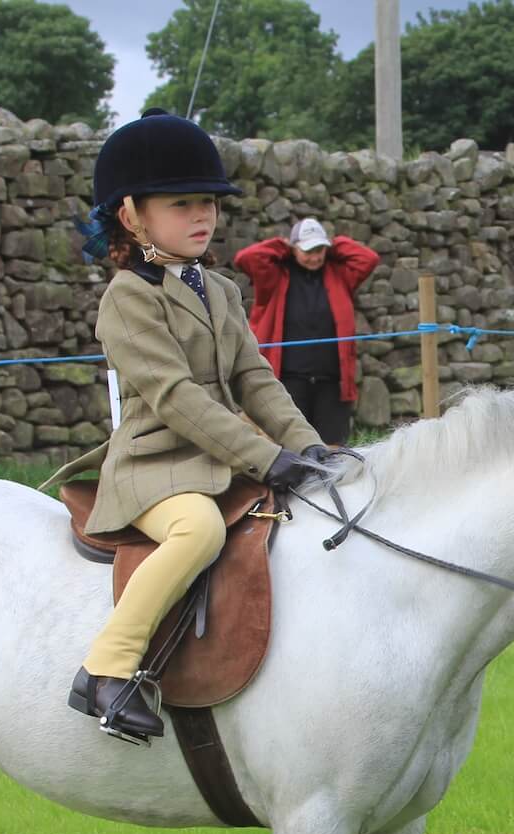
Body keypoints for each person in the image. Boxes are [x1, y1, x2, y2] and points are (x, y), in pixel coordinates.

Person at [51, 109, 331, 743]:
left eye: (208, 201)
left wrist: (310, 448)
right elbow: (175, 398)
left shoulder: (222, 289)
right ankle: (106, 669)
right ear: (132, 215)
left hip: (218, 457)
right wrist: (264, 457)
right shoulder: (127, 298)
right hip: (154, 467)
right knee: (199, 529)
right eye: (181, 204)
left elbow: (255, 378)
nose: (202, 215)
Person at [233, 218, 382, 446]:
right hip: (286, 381)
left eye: (320, 250)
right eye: (308, 251)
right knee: (286, 448)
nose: (315, 257)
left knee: (333, 451)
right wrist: (283, 246)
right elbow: (246, 258)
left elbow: (368, 259)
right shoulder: (273, 276)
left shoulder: (340, 275)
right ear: (294, 249)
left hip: (331, 382)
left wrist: (335, 245)